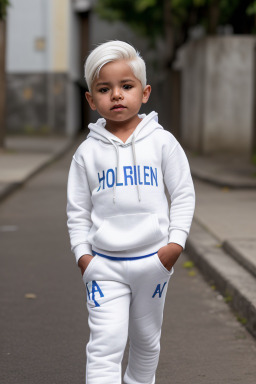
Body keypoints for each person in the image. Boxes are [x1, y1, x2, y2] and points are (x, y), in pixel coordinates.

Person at [67, 40, 195, 384]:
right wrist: (84, 257)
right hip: (104, 266)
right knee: (104, 345)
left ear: (145, 92)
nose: (117, 95)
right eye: (105, 89)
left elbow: (182, 193)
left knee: (146, 342)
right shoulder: (86, 153)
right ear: (92, 100)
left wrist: (174, 245)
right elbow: (77, 211)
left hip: (152, 261)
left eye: (126, 86)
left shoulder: (162, 141)